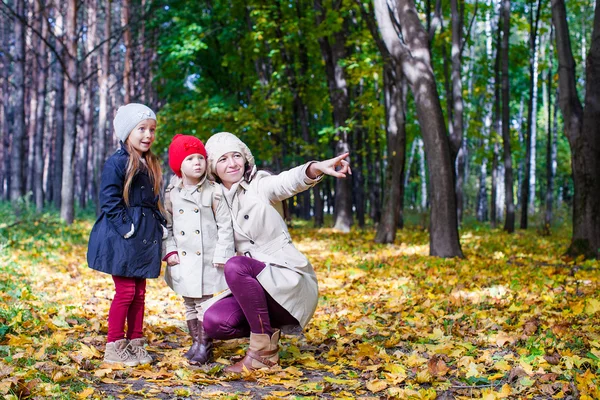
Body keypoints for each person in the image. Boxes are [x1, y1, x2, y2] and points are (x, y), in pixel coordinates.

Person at [201, 132, 350, 373]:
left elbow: (286, 182)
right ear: (213, 168)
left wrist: (315, 168)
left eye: (236, 156)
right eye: (223, 159)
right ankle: (267, 334)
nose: (232, 164)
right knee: (215, 322)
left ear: (245, 158)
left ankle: (262, 353)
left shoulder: (259, 184)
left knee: (236, 265)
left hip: (284, 279)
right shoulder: (215, 200)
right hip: (254, 289)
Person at [87, 103, 167, 367]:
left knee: (140, 292)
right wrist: (126, 227)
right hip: (121, 237)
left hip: (144, 236)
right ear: (127, 132)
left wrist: (161, 223)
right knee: (126, 291)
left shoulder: (151, 162)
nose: (148, 135)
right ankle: (114, 345)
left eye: (151, 130)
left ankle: (136, 341)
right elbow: (109, 199)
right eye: (141, 129)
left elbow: (151, 201)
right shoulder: (117, 162)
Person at [162, 134, 235, 364]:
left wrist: (223, 253)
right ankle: (195, 342)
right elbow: (167, 226)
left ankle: (205, 345)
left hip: (207, 258)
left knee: (204, 302)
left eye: (201, 157)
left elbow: (225, 225)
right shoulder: (172, 194)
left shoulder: (213, 191)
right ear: (178, 165)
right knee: (189, 303)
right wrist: (170, 251)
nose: (197, 163)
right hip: (183, 260)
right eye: (190, 158)